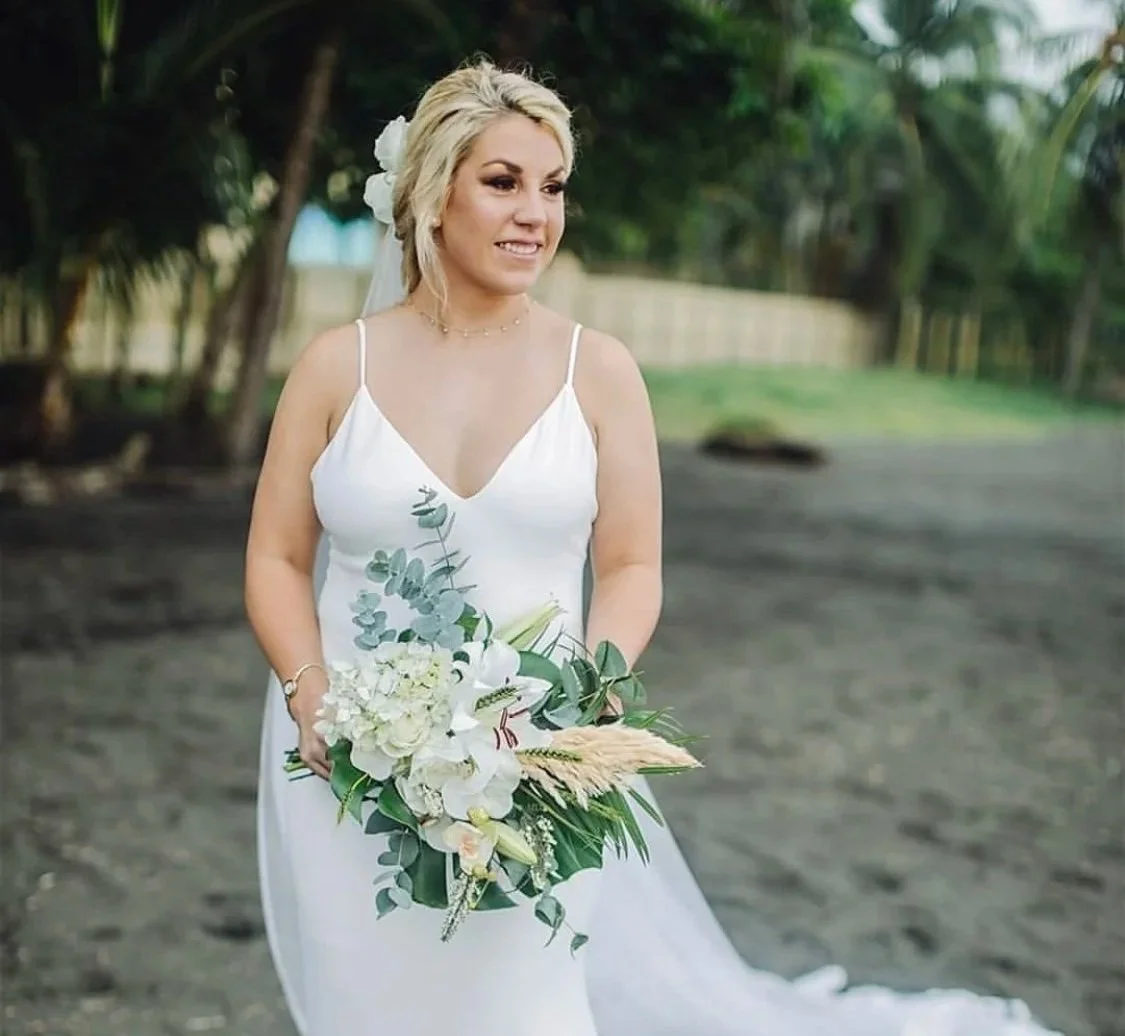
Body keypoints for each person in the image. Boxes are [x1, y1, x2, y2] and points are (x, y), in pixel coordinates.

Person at [247, 60, 1062, 1036]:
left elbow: (632, 567)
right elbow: (277, 559)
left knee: (522, 1009)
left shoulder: (600, 373)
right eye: (503, 181)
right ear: (432, 189)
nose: (535, 215)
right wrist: (312, 696)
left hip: (536, 762)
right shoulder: (338, 366)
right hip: (348, 764)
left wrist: (581, 695)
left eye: (553, 188)